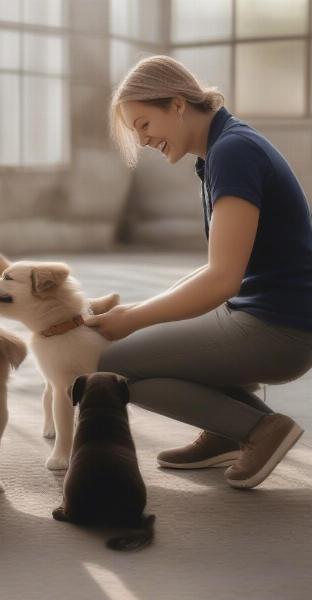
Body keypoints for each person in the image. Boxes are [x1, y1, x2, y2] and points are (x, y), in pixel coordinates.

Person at [85, 55, 312, 489]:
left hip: (279, 331)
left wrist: (133, 320)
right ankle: (228, 430)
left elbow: (221, 281)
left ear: (176, 104)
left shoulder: (233, 152)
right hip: (266, 314)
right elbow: (216, 269)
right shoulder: (223, 148)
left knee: (109, 362)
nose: (145, 140)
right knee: (140, 339)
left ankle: (260, 430)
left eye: (144, 125)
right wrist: (140, 312)